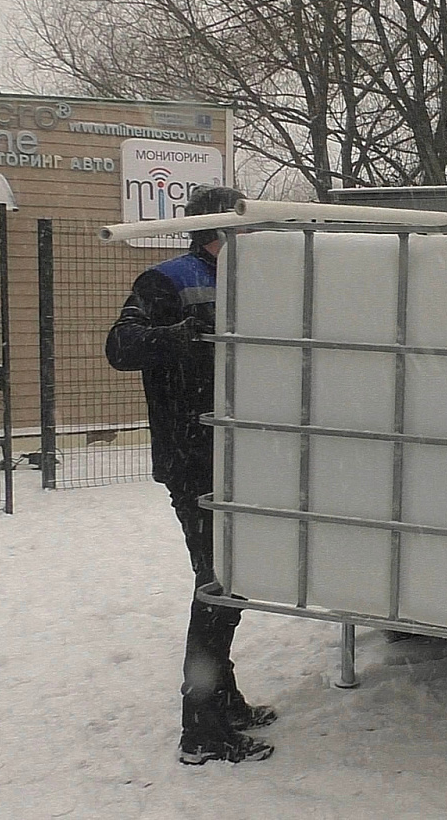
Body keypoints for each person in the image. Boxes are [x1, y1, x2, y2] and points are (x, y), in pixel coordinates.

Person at [106, 184, 277, 765]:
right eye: (243, 225)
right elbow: (121, 345)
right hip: (192, 458)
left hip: (239, 455)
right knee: (217, 584)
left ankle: (223, 701)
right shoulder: (167, 280)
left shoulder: (252, 278)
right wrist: (176, 340)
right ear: (219, 229)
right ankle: (200, 727)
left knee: (232, 580)